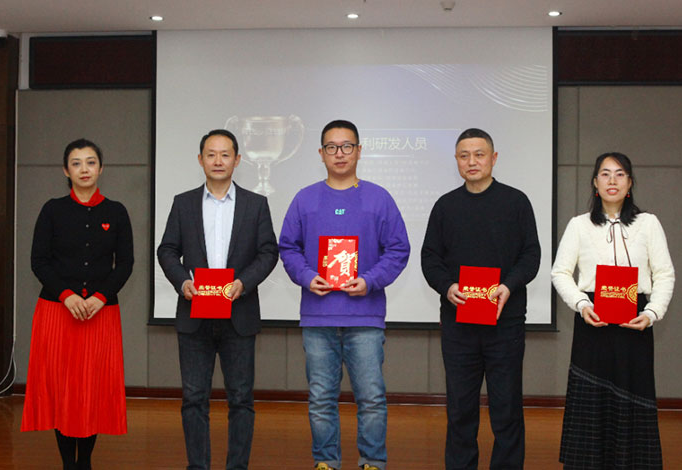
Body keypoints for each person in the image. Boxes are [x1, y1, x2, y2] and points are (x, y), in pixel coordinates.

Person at [278, 120, 410, 470]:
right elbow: (287, 247)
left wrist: (370, 281)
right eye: (332, 147)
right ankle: (326, 462)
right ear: (321, 153)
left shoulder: (379, 198)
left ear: (359, 151)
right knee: (321, 399)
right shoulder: (305, 199)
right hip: (318, 317)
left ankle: (372, 462)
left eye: (347, 146)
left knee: (372, 398)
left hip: (365, 317)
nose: (340, 153)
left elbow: (398, 249)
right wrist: (307, 277)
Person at [157, 129, 279, 470]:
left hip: (239, 315)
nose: (218, 161)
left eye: (225, 154)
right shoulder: (183, 203)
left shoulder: (256, 204)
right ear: (200, 160)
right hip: (194, 315)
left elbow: (268, 252)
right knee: (194, 399)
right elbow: (167, 250)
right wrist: (183, 282)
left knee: (241, 399)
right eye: (211, 154)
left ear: (237, 160)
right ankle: (198, 466)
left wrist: (244, 282)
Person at [421, 128, 540, 470]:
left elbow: (531, 256)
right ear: (456, 160)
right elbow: (430, 258)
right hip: (459, 324)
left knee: (506, 408)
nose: (471, 161)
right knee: (460, 409)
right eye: (464, 155)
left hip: (506, 323)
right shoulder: (445, 206)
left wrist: (509, 285)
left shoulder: (516, 202)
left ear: (494, 158)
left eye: (479, 154)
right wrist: (447, 287)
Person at [551, 152, 675, 469]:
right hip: (593, 318)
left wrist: (652, 312)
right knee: (591, 400)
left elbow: (664, 274)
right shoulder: (579, 225)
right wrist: (581, 304)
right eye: (605, 174)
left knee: (634, 394)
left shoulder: (649, 223)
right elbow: (560, 273)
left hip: (636, 319)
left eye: (620, 174)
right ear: (595, 182)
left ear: (630, 183)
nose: (612, 181)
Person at [22, 138, 134, 470]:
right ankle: (67, 464)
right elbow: (39, 262)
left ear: (101, 168)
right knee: (62, 391)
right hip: (58, 312)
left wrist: (100, 297)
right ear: (65, 170)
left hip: (100, 314)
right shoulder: (52, 210)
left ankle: (84, 462)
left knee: (91, 392)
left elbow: (125, 264)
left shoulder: (116, 212)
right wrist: (67, 295)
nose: (84, 169)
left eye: (90, 162)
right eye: (76, 163)